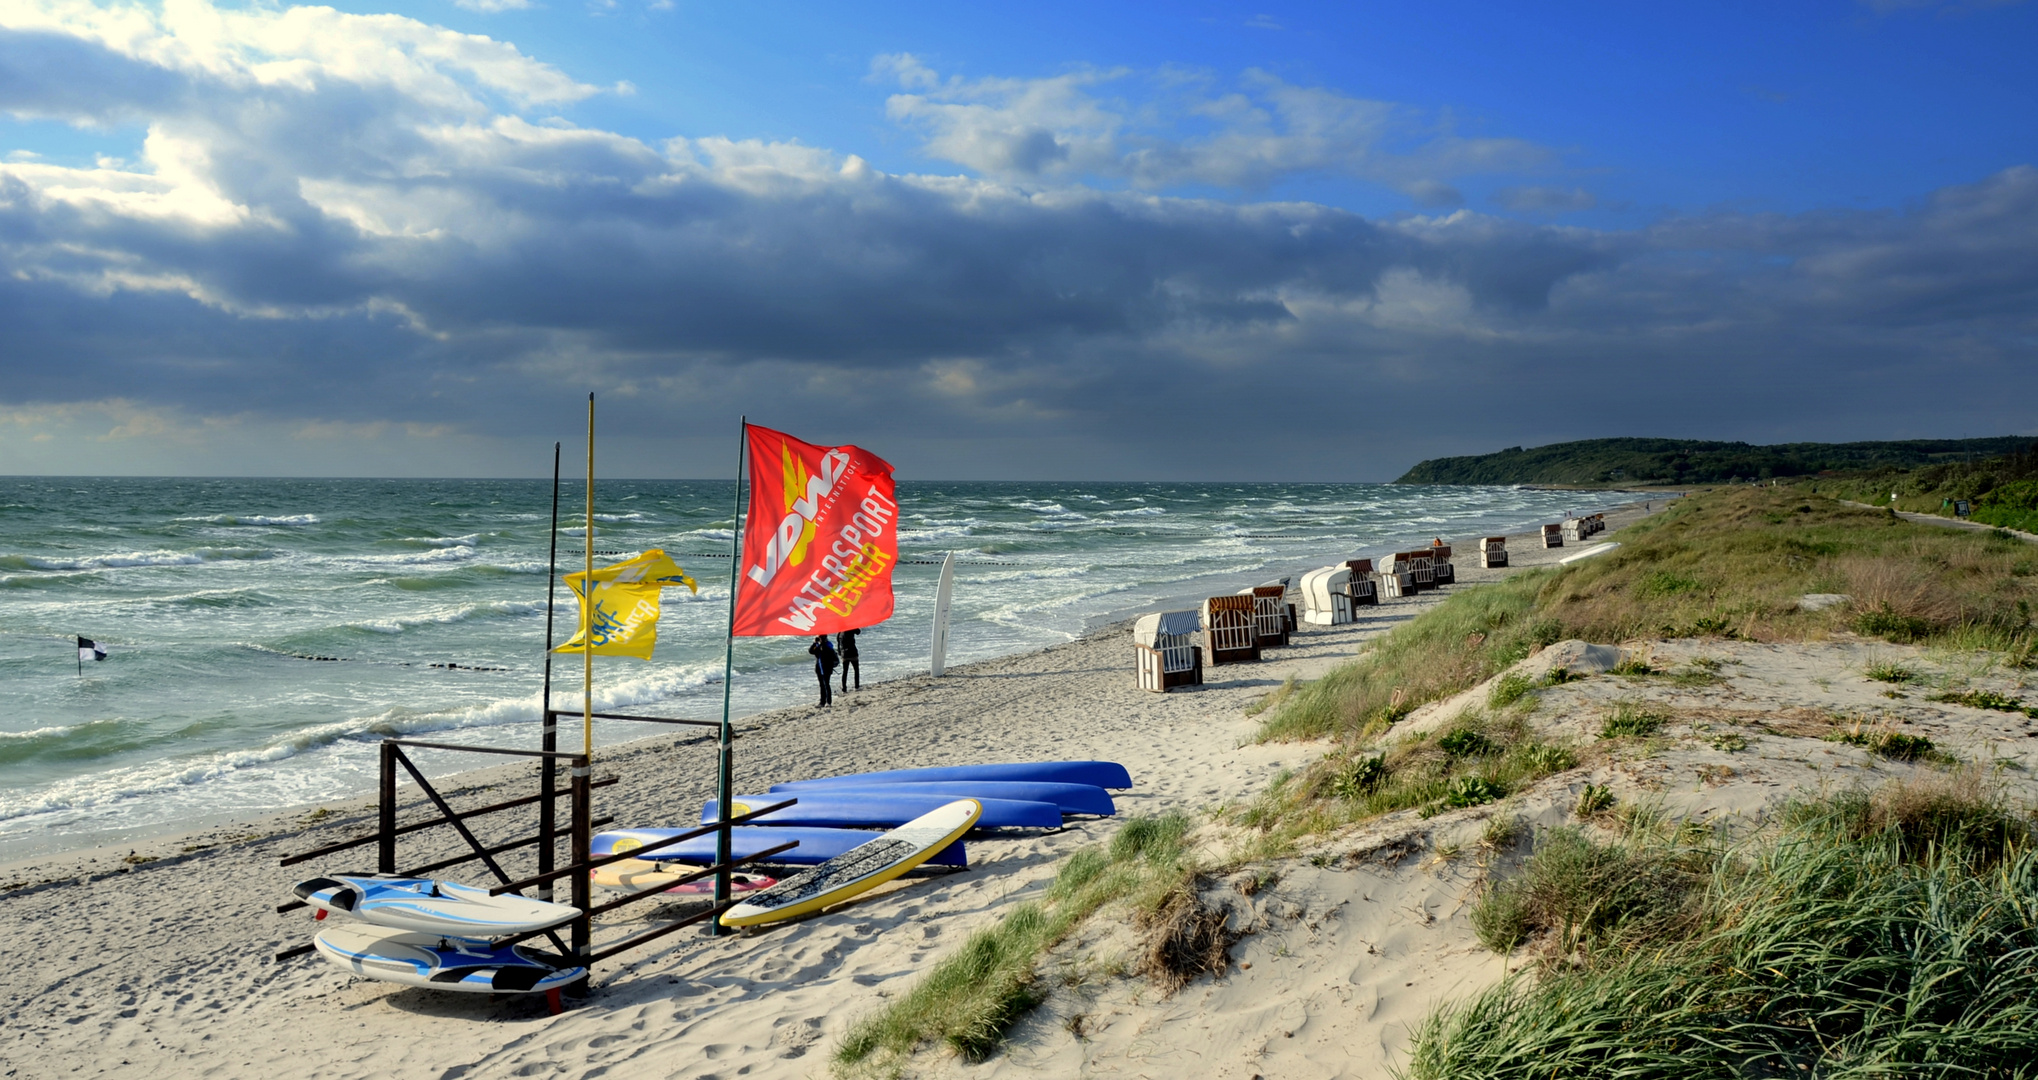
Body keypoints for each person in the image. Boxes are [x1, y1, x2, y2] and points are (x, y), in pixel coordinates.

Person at [808, 635, 837, 707]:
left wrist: (823, 643)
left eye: (821, 638)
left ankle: (829, 702)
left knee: (826, 684)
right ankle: (822, 702)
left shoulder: (828, 645)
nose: (820, 639)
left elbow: (826, 651)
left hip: (827, 667)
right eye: (820, 638)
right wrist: (814, 643)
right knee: (821, 685)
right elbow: (811, 651)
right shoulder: (818, 645)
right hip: (819, 668)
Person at [836, 627, 861, 692]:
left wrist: (840, 653)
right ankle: (857, 686)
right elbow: (858, 632)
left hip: (844, 654)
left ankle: (844, 688)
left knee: (845, 671)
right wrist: (854, 625)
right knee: (856, 670)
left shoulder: (840, 632)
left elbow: (838, 644)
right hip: (852, 652)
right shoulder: (851, 629)